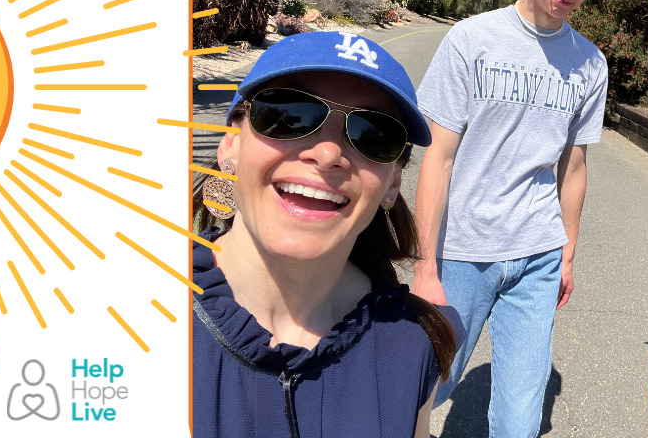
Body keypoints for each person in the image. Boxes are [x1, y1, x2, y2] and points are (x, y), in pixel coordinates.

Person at [191, 31, 464, 438]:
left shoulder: (414, 345)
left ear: (392, 183)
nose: (327, 153)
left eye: (373, 134)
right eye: (288, 113)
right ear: (230, 145)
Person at [410, 0, 614, 437]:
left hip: (539, 254)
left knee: (520, 420)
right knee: (426, 387)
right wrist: (425, 264)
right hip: (464, 253)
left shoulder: (591, 64)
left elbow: (574, 168)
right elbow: (439, 157)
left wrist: (567, 250)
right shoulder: (472, 40)